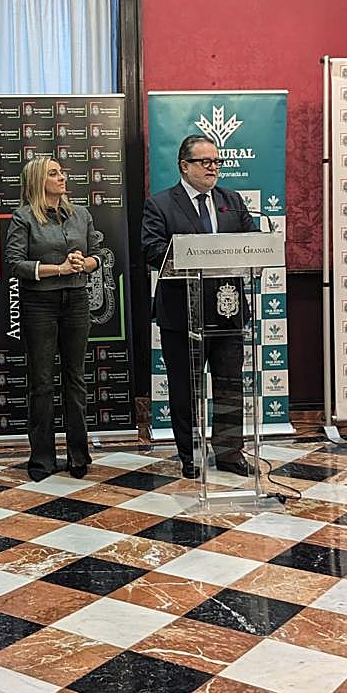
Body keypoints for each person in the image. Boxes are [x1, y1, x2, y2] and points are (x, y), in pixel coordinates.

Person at [141, 135, 258, 479]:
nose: (213, 168)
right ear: (184, 166)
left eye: (216, 162)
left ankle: (229, 453)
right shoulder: (160, 204)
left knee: (229, 385)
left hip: (228, 311)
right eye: (205, 162)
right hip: (183, 315)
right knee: (185, 389)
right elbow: (152, 248)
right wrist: (196, 255)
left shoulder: (231, 201)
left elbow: (251, 243)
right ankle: (190, 454)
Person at [4, 157, 98, 481]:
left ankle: (79, 455)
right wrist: (57, 269)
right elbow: (14, 263)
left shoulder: (80, 214)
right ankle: (42, 458)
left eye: (61, 172)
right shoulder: (23, 216)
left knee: (76, 379)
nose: (61, 177)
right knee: (42, 382)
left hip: (76, 300)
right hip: (39, 303)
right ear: (37, 181)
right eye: (53, 173)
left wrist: (83, 263)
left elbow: (98, 254)